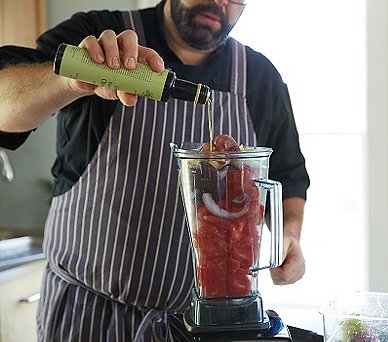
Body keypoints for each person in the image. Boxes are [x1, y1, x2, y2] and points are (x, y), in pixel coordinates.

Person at [0, 0, 310, 340]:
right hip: (85, 315)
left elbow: (289, 177)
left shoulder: (259, 77)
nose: (220, 2)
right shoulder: (102, 38)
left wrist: (288, 235)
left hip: (194, 326)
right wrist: (72, 81)